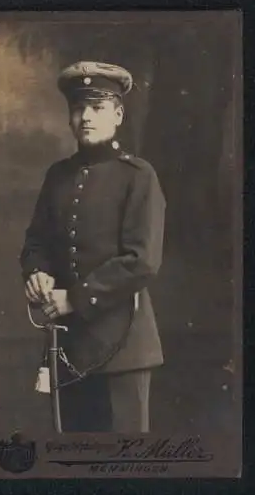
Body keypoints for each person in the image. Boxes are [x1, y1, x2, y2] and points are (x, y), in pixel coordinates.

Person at [20, 61, 166, 433]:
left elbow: (141, 261)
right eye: (78, 108)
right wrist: (36, 272)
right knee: (74, 461)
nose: (86, 117)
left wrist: (75, 299)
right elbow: (36, 242)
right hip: (69, 347)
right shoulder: (58, 176)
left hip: (124, 346)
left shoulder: (138, 176)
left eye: (97, 108)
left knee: (122, 464)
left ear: (117, 115)